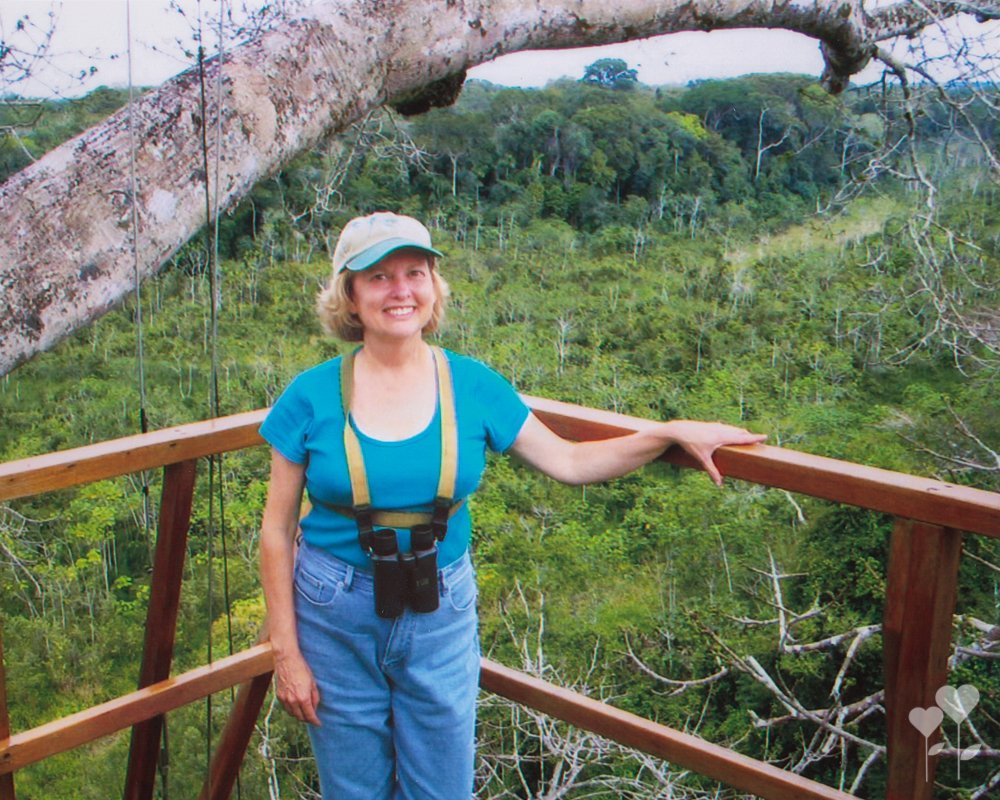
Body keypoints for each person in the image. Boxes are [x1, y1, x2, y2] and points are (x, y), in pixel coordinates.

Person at [258, 211, 766, 800]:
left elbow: (569, 462)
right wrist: (286, 653)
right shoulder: (310, 394)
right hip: (333, 606)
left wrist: (668, 433)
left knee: (442, 787)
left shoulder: (473, 385)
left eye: (415, 273)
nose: (400, 291)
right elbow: (275, 531)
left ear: (433, 288)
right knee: (354, 788)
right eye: (378, 277)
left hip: (438, 603)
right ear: (349, 296)